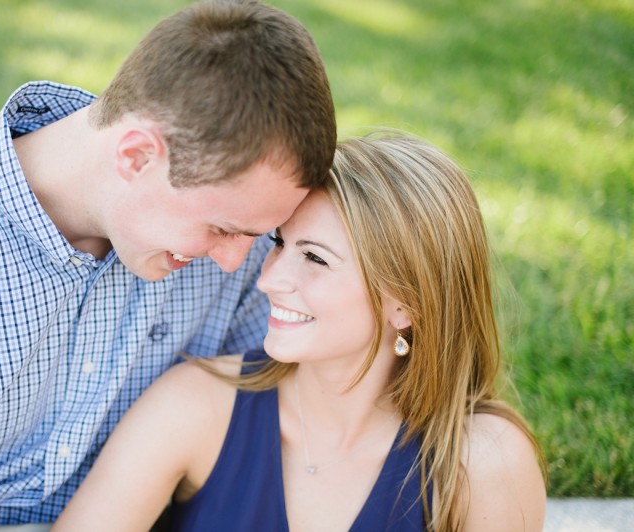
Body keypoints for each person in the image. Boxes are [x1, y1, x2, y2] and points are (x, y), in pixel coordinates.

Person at [0, 1, 336, 529]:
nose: (240, 262)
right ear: (137, 156)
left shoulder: (243, 243)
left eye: (259, 236)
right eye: (222, 228)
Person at [54, 132, 548, 531]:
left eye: (314, 258)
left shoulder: (485, 463)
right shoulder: (197, 406)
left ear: (408, 305)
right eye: (280, 244)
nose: (268, 278)